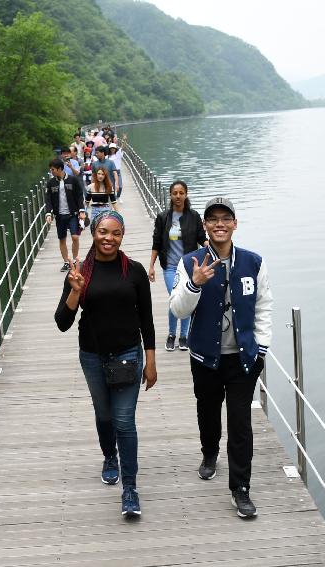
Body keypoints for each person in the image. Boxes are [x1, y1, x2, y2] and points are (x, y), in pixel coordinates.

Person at [169, 197, 273, 519]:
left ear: (235, 223)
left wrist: (262, 348)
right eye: (212, 219)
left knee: (240, 422)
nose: (219, 224)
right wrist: (194, 284)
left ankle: (240, 488)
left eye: (225, 218)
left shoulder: (253, 263)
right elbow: (177, 309)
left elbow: (263, 306)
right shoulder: (191, 263)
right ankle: (210, 452)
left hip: (243, 359)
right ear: (205, 226)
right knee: (208, 409)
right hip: (205, 357)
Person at [55, 211, 157, 517]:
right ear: (93, 233)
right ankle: (109, 457)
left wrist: (150, 362)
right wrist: (75, 291)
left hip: (128, 354)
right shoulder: (80, 272)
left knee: (124, 421)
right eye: (102, 231)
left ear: (122, 235)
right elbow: (62, 322)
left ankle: (130, 488)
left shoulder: (135, 271)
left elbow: (147, 320)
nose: (108, 238)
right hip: (92, 355)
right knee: (104, 415)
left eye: (115, 233)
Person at [148, 180, 207, 352]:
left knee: (186, 298)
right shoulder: (163, 217)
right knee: (176, 298)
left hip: (188, 267)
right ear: (171, 195)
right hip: (170, 267)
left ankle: (184, 336)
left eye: (181, 193)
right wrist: (151, 266)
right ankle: (172, 334)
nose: (178, 196)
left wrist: (212, 247)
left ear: (186, 194)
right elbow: (156, 243)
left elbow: (200, 237)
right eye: (175, 193)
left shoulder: (193, 216)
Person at [45, 158, 86, 271]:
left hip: (73, 214)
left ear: (60, 169)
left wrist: (82, 211)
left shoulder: (73, 180)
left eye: (53, 169)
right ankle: (66, 262)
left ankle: (74, 260)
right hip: (60, 216)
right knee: (62, 239)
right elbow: (48, 200)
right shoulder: (51, 183)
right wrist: (48, 213)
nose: (51, 171)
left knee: (75, 237)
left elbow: (79, 196)